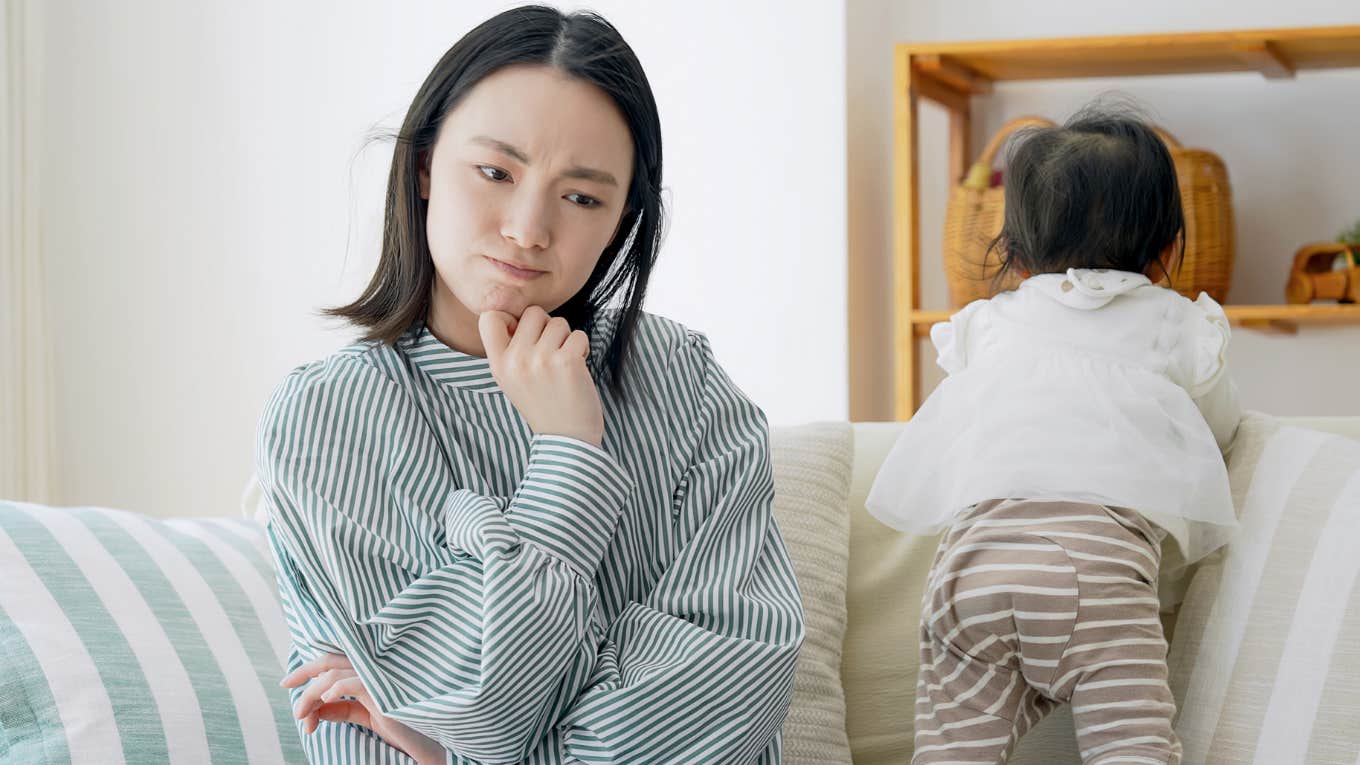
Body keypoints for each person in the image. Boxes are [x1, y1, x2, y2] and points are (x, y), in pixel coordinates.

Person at [254, 7, 804, 763]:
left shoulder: (682, 380)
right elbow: (489, 708)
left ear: (620, 221)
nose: (527, 227)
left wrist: (449, 743)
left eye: (581, 197)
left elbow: (731, 685)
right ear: (422, 165)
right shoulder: (328, 418)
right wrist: (569, 455)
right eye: (495, 172)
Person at [867, 105, 1242, 764]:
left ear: (1012, 254)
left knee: (953, 752)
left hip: (969, 570)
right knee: (1132, 747)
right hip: (1095, 571)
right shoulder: (1171, 323)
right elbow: (1222, 430)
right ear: (1169, 250)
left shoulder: (988, 323)